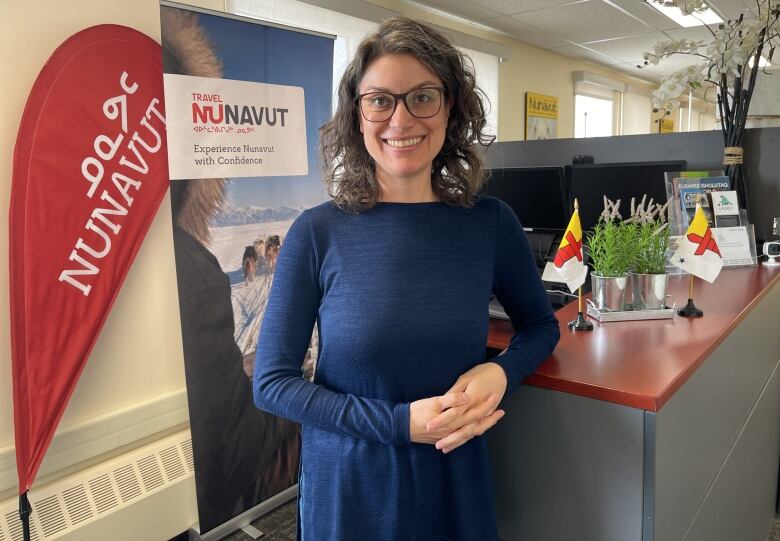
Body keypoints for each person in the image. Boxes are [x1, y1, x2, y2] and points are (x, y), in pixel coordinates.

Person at [253, 17, 560, 541]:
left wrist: (501, 372)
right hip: (351, 485)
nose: (401, 118)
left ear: (451, 109)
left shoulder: (490, 224)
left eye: (422, 97)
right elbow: (272, 384)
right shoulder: (316, 233)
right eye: (380, 100)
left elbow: (540, 327)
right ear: (357, 114)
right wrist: (400, 424)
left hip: (452, 476)